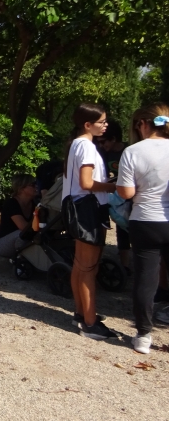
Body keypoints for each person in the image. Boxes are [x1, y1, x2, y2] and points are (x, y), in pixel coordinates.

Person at [115, 103, 169, 354]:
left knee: (146, 279)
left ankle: (143, 335)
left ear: (142, 124)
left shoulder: (133, 151)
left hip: (145, 220)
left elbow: (126, 192)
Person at [63, 103, 118, 340]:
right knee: (88, 267)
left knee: (80, 265)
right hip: (88, 209)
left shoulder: (76, 144)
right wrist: (113, 186)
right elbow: (86, 183)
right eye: (102, 121)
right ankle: (90, 322)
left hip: (79, 207)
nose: (105, 125)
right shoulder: (86, 146)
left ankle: (81, 312)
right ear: (87, 124)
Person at [97, 120, 131, 274]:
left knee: (129, 229)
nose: (101, 145)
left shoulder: (129, 151)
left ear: (113, 138)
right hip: (112, 195)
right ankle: (124, 266)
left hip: (129, 195)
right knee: (116, 227)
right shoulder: (103, 154)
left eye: (103, 141)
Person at [0, 174, 37, 258]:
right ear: (21, 188)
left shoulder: (34, 204)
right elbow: (23, 227)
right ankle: (21, 261)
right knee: (21, 234)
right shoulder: (11, 203)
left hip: (22, 240)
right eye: (33, 185)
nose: (36, 186)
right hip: (2, 244)